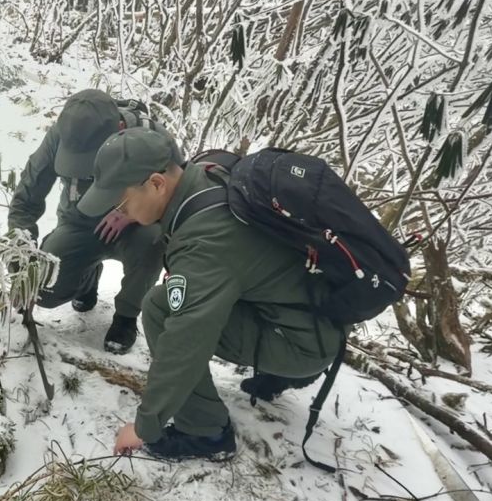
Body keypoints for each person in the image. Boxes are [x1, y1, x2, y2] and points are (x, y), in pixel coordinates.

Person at [76, 127, 345, 461]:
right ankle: (284, 372)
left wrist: (144, 426)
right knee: (195, 298)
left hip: (301, 341)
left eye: (121, 202)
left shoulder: (205, 242)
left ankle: (205, 432)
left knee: (161, 309)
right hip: (316, 317)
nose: (118, 212)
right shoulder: (208, 174)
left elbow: (185, 342)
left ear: (157, 184)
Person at [7, 89, 183, 354]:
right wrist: (22, 253)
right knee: (45, 291)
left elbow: (174, 198)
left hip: (137, 226)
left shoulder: (155, 139)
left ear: (121, 128)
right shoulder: (62, 135)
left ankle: (126, 315)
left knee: (153, 242)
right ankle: (87, 277)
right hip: (79, 222)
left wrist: (127, 211)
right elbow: (28, 194)